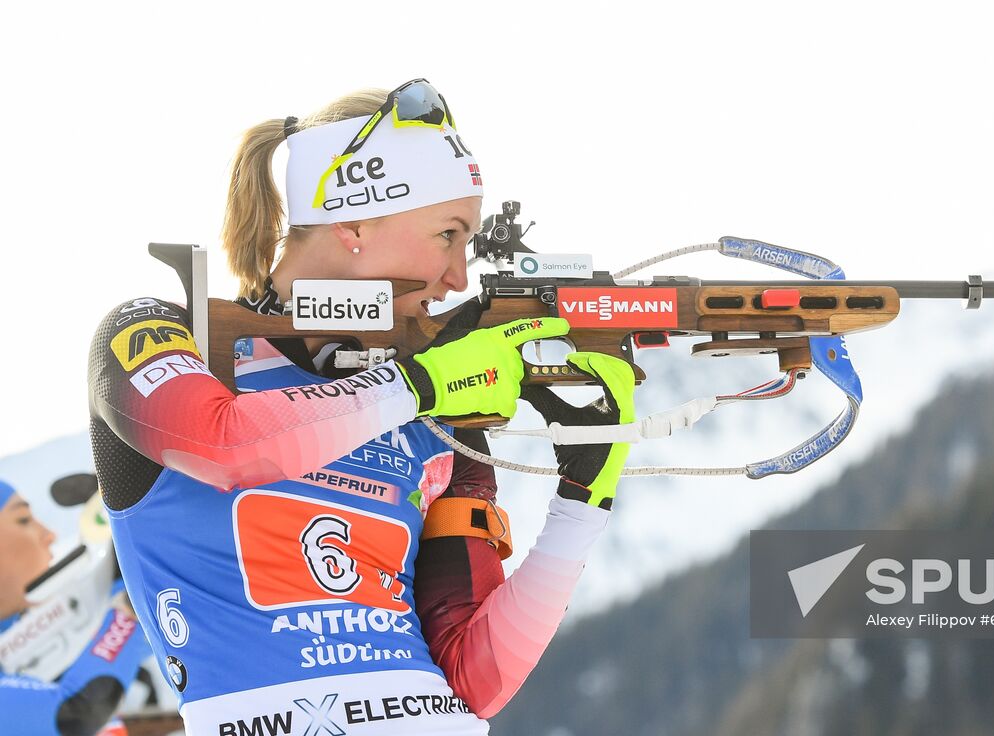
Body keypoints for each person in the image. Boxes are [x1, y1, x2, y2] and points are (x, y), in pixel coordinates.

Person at [86, 79, 634, 735]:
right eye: (447, 234)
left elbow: (472, 681)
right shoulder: (160, 333)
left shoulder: (434, 416)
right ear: (352, 222)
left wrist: (582, 501)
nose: (460, 275)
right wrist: (418, 385)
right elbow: (223, 444)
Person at [0, 479, 150, 735]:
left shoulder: (25, 649)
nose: (50, 535)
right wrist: (129, 610)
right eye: (24, 520)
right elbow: (75, 714)